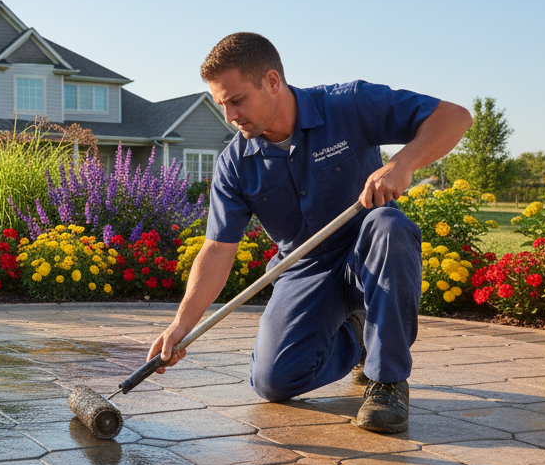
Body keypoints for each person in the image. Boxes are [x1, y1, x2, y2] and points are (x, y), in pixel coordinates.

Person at [149, 33, 471, 432]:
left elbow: (455, 117)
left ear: (271, 81)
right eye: (222, 105)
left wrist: (402, 163)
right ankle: (356, 335)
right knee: (272, 381)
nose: (230, 116)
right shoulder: (235, 163)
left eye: (237, 100)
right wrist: (182, 325)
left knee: (391, 226)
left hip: (370, 250)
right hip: (306, 267)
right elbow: (217, 249)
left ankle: (386, 381)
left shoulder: (348, 104)